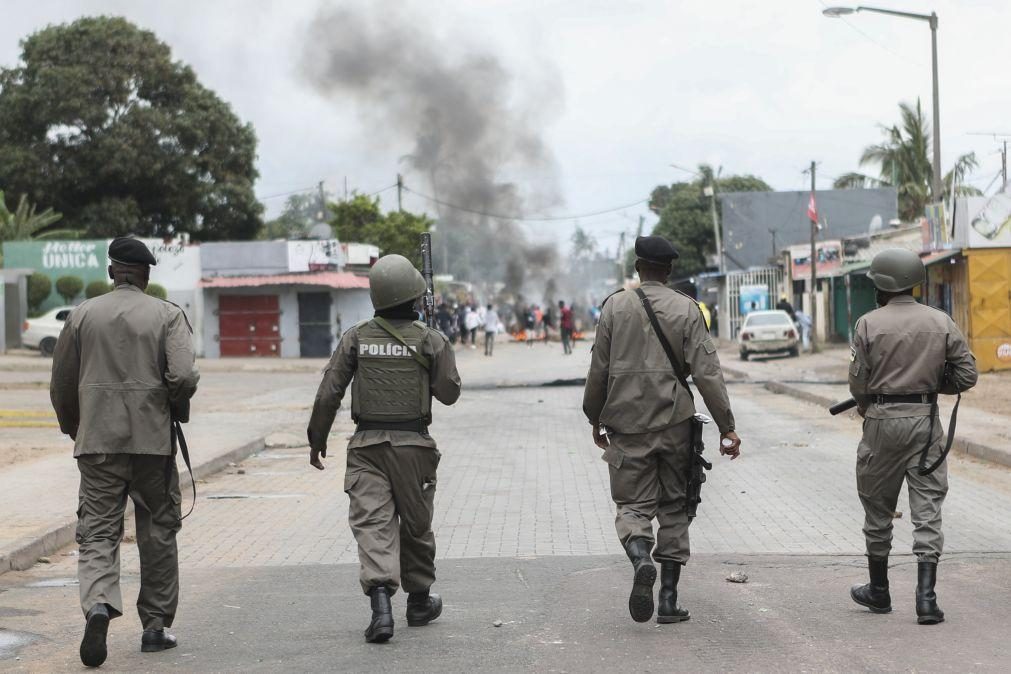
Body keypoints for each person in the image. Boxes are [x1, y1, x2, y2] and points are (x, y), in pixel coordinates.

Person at [50, 237, 200, 668]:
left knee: (97, 531)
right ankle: (154, 628)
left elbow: (61, 383)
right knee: (157, 530)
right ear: (147, 275)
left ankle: (98, 604)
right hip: (152, 445)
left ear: (111, 271)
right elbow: (184, 374)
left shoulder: (81, 315)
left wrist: (76, 428)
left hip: (97, 444)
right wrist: (169, 403)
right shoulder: (168, 315)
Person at [583, 235, 741, 625]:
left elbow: (598, 372)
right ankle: (668, 601)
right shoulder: (687, 310)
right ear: (668, 270)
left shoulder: (614, 307)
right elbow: (707, 374)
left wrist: (594, 418)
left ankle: (640, 558)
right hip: (675, 424)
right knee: (675, 507)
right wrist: (727, 427)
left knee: (633, 506)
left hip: (626, 425)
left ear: (638, 268)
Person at [307, 254, 462, 644]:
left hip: (367, 447)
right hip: (414, 447)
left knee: (373, 526)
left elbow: (329, 393)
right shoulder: (429, 339)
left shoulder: (356, 337)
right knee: (416, 525)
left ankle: (380, 610)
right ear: (413, 296)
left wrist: (317, 439)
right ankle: (420, 602)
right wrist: (437, 344)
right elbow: (449, 393)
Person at [847, 248, 977, 625]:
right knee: (927, 509)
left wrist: (866, 403)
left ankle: (880, 592)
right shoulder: (941, 321)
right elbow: (966, 376)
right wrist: (932, 383)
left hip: (881, 421)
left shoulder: (867, 324)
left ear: (883, 285)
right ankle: (926, 599)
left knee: (877, 507)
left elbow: (858, 381)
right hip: (925, 422)